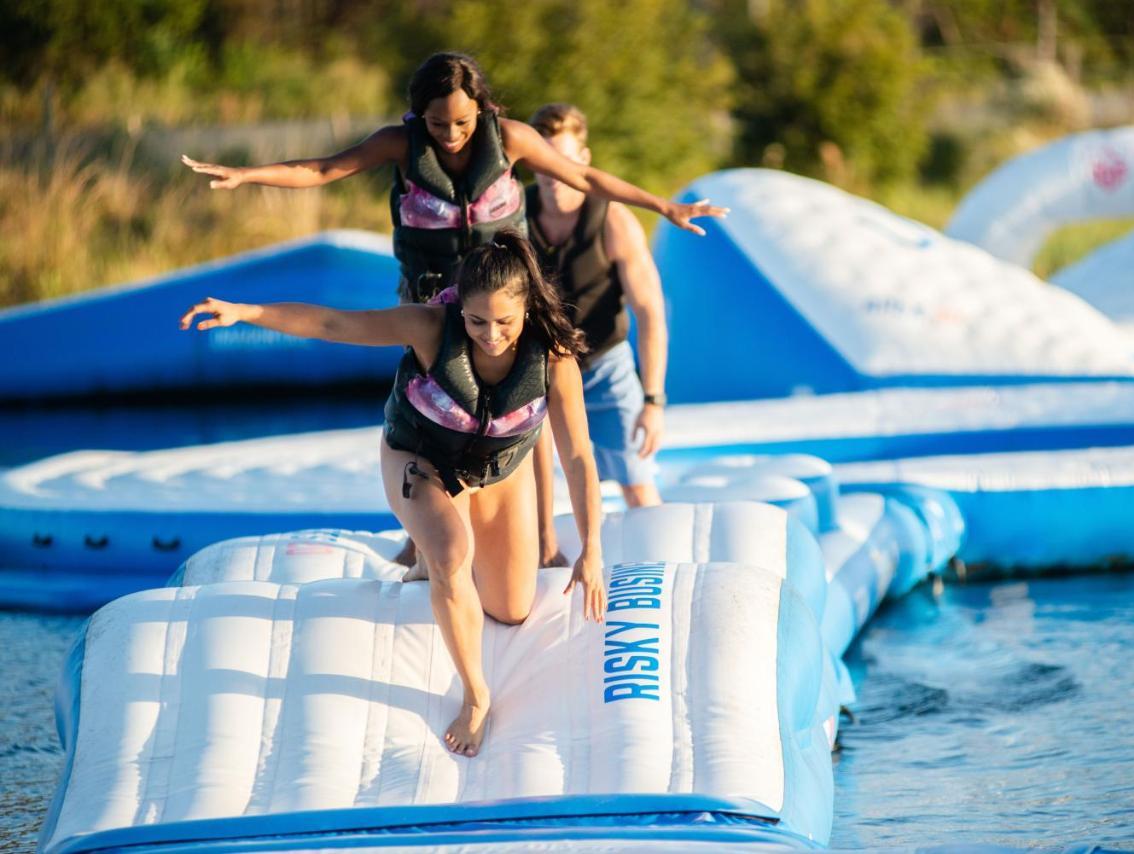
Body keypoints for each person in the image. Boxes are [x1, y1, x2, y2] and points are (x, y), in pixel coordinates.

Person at [179, 232, 604, 758]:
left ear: (527, 309)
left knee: (512, 608)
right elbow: (334, 323)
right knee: (451, 553)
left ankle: (445, 537)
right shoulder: (428, 327)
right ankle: (475, 694)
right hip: (420, 459)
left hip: (495, 471)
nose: (490, 335)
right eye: (476, 322)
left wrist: (592, 550)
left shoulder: (553, 358)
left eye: (504, 323)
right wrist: (246, 311)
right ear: (459, 309)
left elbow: (578, 457)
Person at [181, 51, 726, 304]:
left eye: (463, 122)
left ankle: (538, 530)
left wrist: (663, 206)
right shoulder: (399, 144)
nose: (451, 134)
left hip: (506, 294)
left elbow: (584, 178)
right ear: (419, 116)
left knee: (521, 409)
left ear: (483, 110)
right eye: (438, 123)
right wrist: (246, 174)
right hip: (429, 293)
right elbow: (323, 169)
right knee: (430, 413)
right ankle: (421, 536)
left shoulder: (510, 138)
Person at [524, 104, 667, 567]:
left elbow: (649, 311)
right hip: (538, 370)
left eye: (563, 161)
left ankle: (659, 570)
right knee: (532, 481)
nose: (553, 174)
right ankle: (543, 563)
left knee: (636, 481)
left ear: (583, 158)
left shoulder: (612, 220)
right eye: (544, 162)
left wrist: (652, 400)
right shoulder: (511, 216)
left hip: (604, 363)